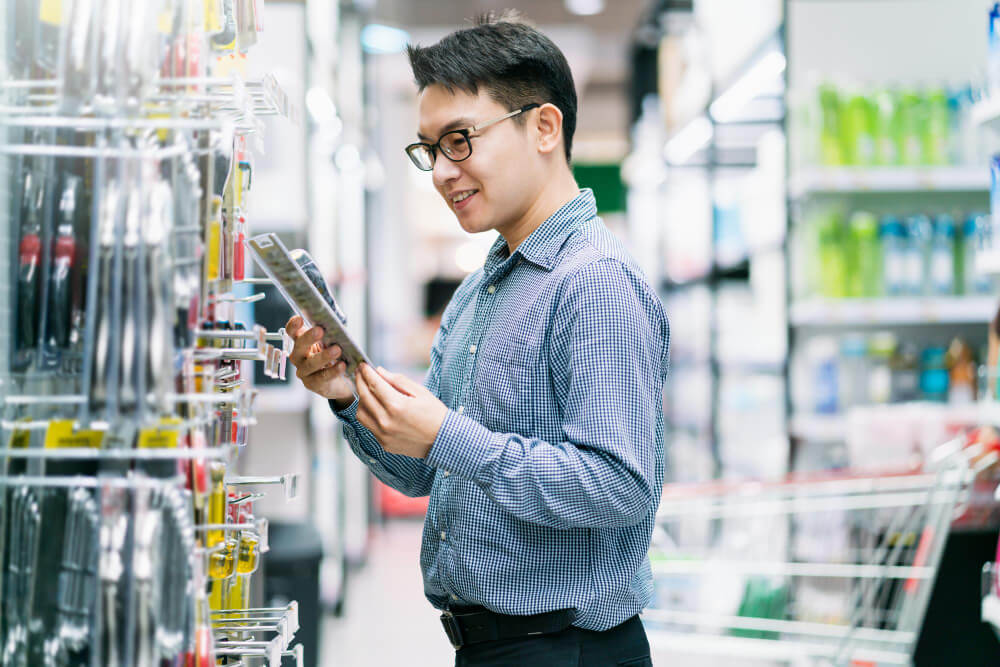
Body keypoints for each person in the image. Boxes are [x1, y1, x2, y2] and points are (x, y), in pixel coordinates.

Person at [286, 11, 669, 666]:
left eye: (460, 139)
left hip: (569, 649)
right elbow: (423, 469)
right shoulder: (481, 288)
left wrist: (449, 435)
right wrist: (350, 395)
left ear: (544, 127)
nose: (440, 171)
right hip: (495, 647)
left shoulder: (594, 281)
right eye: (430, 148)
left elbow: (620, 485)